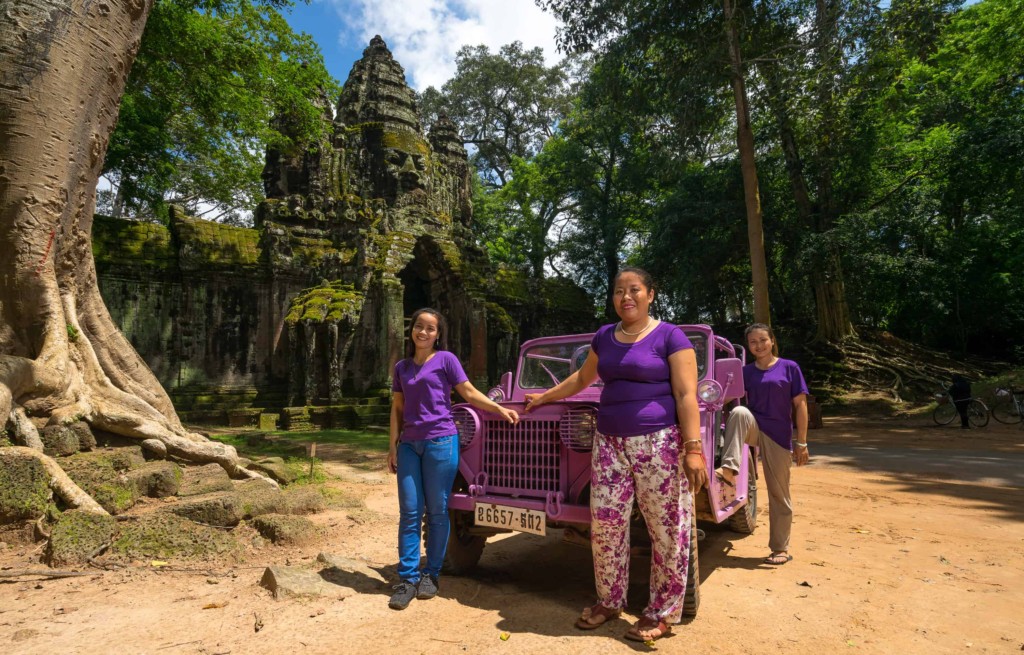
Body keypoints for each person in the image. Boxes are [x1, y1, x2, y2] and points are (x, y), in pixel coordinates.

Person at [524, 267, 705, 643]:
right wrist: (543, 397)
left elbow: (687, 395)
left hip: (659, 444)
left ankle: (661, 612)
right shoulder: (605, 336)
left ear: (650, 294)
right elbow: (581, 379)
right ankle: (609, 600)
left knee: (667, 529)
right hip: (608, 443)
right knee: (605, 525)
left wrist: (693, 448)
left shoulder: (671, 337)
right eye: (619, 291)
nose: (626, 297)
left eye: (634, 289)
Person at [387, 308, 519, 610]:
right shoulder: (402, 367)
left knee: (436, 511)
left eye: (430, 328)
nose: (423, 332)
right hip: (409, 445)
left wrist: (498, 409)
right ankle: (407, 579)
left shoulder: (446, 360)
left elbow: (469, 393)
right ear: (412, 330)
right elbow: (397, 408)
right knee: (409, 511)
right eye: (418, 326)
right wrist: (392, 446)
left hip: (441, 442)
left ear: (438, 335)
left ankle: (431, 574)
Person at [715, 323, 809, 566]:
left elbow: (800, 406)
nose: (758, 345)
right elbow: (724, 397)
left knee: (779, 495)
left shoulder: (790, 368)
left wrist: (802, 442)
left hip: (778, 437)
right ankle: (730, 469)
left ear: (772, 341)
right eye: (753, 342)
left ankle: (780, 548)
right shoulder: (745, 372)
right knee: (738, 412)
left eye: (762, 340)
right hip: (755, 428)